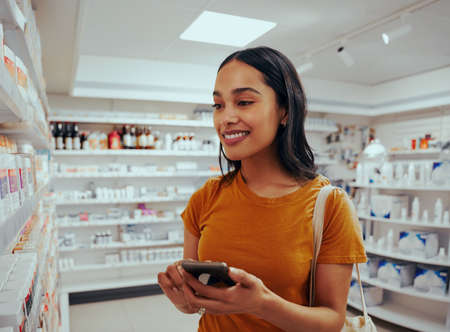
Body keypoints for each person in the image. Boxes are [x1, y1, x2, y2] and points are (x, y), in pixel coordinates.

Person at [158, 46, 366, 332]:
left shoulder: (329, 205)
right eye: (218, 105)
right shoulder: (206, 198)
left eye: (243, 102)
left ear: (284, 111)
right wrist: (183, 298)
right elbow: (197, 304)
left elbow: (331, 320)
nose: (226, 118)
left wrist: (261, 304)